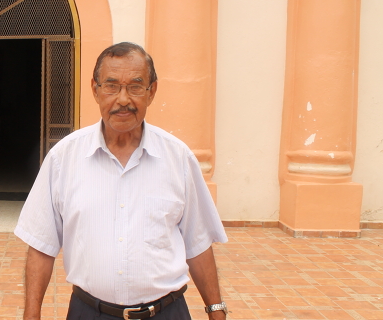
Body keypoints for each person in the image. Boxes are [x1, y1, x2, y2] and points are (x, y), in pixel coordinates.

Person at [14, 42, 229, 320]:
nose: (123, 99)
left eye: (136, 86)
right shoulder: (63, 159)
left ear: (151, 92)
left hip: (166, 312)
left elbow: (198, 244)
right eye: (112, 86)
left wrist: (216, 310)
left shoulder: (178, 158)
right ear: (95, 89)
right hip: (89, 313)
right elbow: (41, 247)